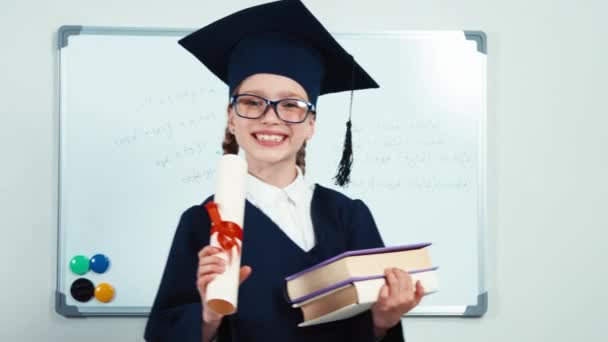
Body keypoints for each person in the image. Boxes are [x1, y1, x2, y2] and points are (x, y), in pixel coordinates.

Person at [144, 1, 424, 341]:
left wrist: (382, 319)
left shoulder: (348, 216)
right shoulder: (203, 222)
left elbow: (372, 326)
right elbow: (164, 333)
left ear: (311, 124)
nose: (270, 117)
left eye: (291, 104)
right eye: (252, 102)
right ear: (231, 118)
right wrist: (206, 316)